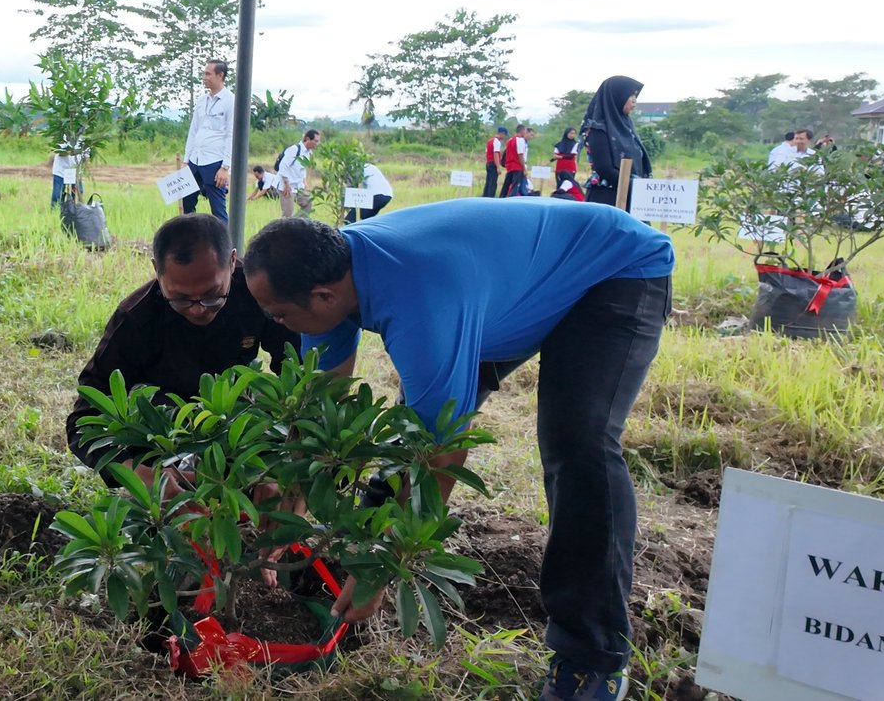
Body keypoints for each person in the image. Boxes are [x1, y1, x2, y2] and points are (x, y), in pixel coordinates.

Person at [242, 201, 673, 701]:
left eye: (279, 315)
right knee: (412, 428)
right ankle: (350, 561)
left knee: (578, 445)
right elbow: (323, 409)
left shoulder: (417, 301)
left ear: (323, 295)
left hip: (611, 270)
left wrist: (387, 564)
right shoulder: (331, 270)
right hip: (502, 286)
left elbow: (443, 451)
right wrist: (291, 503)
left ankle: (591, 656)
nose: (277, 324)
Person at [66, 214, 299, 490]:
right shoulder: (136, 319)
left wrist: (280, 466)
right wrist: (135, 472)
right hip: (161, 428)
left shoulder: (258, 295)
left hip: (234, 413)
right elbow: (82, 423)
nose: (198, 309)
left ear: (232, 262)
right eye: (180, 299)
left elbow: (297, 376)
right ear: (157, 270)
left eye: (213, 295)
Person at [582, 76, 651, 208]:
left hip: (632, 196)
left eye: (636, 96)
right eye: (631, 95)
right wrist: (638, 187)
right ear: (616, 96)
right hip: (608, 199)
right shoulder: (598, 129)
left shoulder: (626, 126)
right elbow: (604, 169)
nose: (635, 101)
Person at [181, 59, 234, 223]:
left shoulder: (230, 101)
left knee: (218, 210)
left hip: (214, 162)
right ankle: (189, 240)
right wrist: (186, 160)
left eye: (208, 74)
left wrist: (225, 167)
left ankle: (225, 246)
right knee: (187, 205)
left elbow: (231, 135)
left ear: (220, 75)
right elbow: (194, 130)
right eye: (204, 73)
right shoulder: (202, 100)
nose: (204, 77)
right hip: (195, 159)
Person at [276, 128, 321, 218]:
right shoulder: (294, 149)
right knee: (287, 214)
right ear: (308, 139)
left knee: (307, 204)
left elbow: (301, 168)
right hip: (286, 185)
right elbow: (283, 166)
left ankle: (296, 223)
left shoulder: (308, 153)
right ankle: (286, 229)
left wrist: (304, 182)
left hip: (298, 185)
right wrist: (286, 184)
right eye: (315, 141)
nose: (317, 144)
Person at [50, 141, 86, 208]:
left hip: (76, 170)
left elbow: (85, 158)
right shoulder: (64, 136)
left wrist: (81, 171)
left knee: (78, 192)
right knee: (57, 194)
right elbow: (61, 153)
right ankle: (55, 210)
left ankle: (76, 209)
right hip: (61, 170)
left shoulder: (84, 140)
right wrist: (72, 151)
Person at [500, 124, 531, 197]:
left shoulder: (510, 140)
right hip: (517, 166)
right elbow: (520, 155)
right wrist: (524, 168)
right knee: (515, 185)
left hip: (509, 165)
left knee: (506, 184)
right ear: (522, 131)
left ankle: (502, 197)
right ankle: (512, 198)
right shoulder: (520, 140)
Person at [484, 126, 507, 198]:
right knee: (493, 183)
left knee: (488, 181)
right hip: (493, 163)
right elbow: (496, 154)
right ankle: (490, 197)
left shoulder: (489, 141)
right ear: (502, 133)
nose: (504, 137)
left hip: (488, 163)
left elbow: (487, 152)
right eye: (504, 135)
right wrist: (498, 167)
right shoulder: (497, 142)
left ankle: (485, 196)